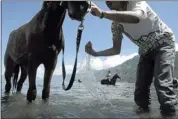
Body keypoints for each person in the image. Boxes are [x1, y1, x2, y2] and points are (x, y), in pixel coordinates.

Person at [85, 1, 177, 115]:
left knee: (162, 86)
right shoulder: (115, 24)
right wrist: (95, 53)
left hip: (163, 43)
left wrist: (102, 14)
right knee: (139, 94)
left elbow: (137, 17)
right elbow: (116, 49)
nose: (107, 1)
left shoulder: (136, 2)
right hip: (145, 51)